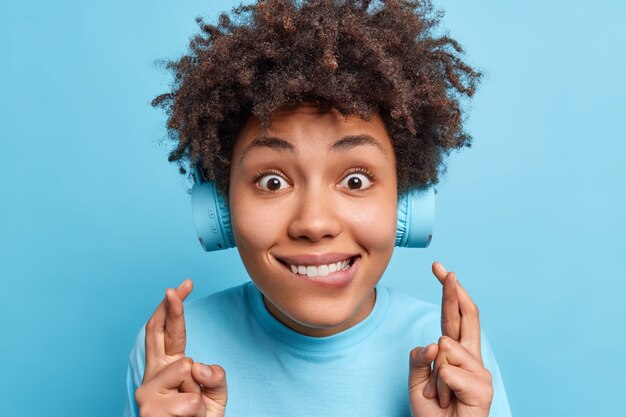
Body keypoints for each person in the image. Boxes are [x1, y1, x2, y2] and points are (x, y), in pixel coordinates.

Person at [124, 1, 512, 416]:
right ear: (220, 210)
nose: (314, 223)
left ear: (406, 205)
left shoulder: (451, 354)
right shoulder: (174, 355)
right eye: (272, 182)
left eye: (355, 181)